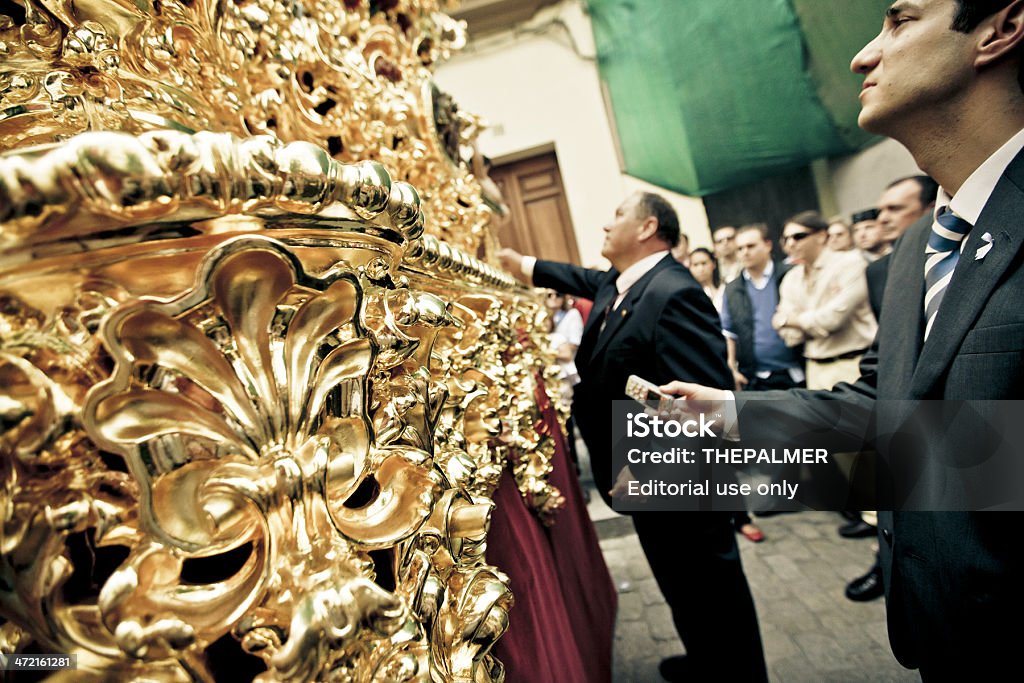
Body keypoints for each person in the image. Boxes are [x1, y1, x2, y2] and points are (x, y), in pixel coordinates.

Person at [661, 1, 1024, 677]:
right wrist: (731, 423)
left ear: (1000, 29)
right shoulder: (921, 242)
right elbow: (885, 414)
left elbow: (974, 452)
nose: (863, 55)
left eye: (900, 21)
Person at [498, 192, 767, 682]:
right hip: (639, 478)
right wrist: (523, 265)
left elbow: (709, 407)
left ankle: (737, 673)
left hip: (681, 487)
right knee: (681, 589)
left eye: (617, 214)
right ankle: (706, 662)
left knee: (714, 594)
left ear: (646, 228)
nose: (605, 224)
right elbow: (578, 278)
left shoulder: (673, 292)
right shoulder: (618, 284)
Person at [774, 211, 877, 390]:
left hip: (852, 363)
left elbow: (833, 319)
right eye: (786, 239)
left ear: (821, 236)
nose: (791, 243)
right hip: (814, 368)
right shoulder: (791, 278)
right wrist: (804, 323)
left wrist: (790, 320)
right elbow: (791, 336)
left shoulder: (850, 263)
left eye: (799, 236)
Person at [686, 247, 724, 312]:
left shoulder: (724, 288)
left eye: (704, 263)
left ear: (713, 264)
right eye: (695, 265)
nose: (701, 269)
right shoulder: (688, 295)